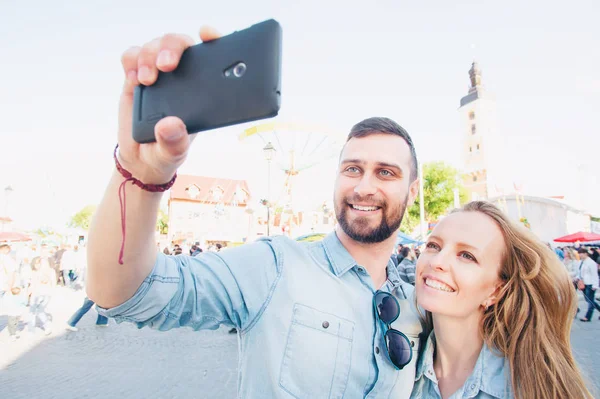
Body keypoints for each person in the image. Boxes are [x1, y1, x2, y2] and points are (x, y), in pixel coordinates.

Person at [86, 26, 423, 398]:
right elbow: (127, 294)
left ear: (412, 191)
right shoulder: (275, 265)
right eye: (352, 169)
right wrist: (140, 176)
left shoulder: (418, 303)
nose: (363, 187)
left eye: (386, 173)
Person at [411, 201, 592, 399]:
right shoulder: (394, 370)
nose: (437, 262)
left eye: (466, 255)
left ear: (496, 291)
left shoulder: (532, 387)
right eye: (433, 245)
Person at [576, 247, 600, 322]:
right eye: (579, 254)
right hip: (584, 283)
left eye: (581, 254)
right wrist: (578, 278)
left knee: (590, 301)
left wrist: (595, 285)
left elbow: (594, 275)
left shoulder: (591, 263)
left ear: (586, 254)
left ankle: (588, 316)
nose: (580, 255)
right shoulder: (582, 262)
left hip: (590, 283)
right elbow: (580, 272)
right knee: (589, 300)